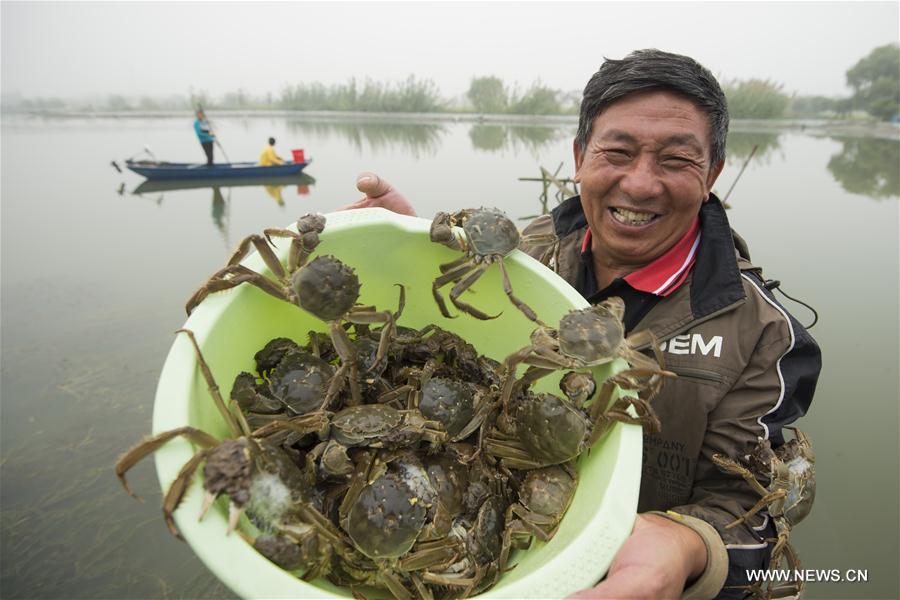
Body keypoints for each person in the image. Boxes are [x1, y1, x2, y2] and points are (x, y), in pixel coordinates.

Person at [342, 49, 821, 600]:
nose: (640, 184)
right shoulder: (517, 256)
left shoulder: (764, 335)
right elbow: (440, 350)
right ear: (579, 156)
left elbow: (753, 511)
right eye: (617, 152)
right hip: (497, 555)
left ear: (712, 173)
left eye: (676, 160)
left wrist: (689, 547)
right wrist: (411, 254)